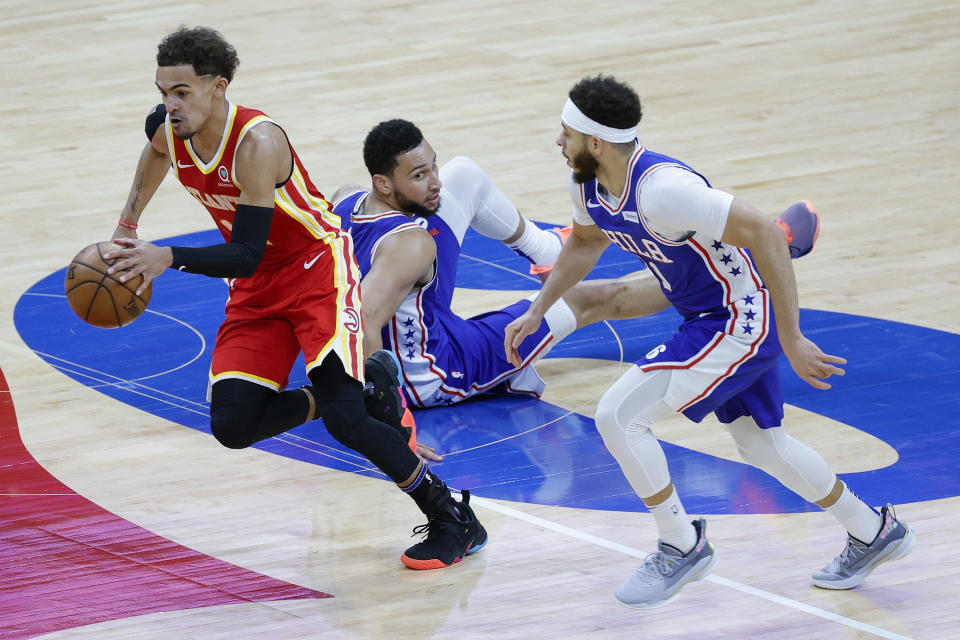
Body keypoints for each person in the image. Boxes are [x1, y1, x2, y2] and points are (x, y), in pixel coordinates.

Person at [505, 74, 914, 608]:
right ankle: (871, 531)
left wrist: (790, 337)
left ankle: (682, 544)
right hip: (704, 313)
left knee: (618, 415)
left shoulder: (664, 189)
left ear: (596, 142)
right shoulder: (589, 184)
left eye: (566, 134)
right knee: (761, 446)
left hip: (741, 315)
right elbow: (584, 243)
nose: (558, 142)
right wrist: (540, 309)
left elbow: (765, 234)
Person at [101, 26, 485, 570]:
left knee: (347, 423)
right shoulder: (172, 127)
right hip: (258, 286)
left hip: (314, 270)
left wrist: (167, 256)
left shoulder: (258, 143)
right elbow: (157, 153)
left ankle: (452, 518)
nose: (170, 103)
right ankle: (359, 388)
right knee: (232, 426)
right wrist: (128, 221)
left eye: (182, 91)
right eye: (163, 91)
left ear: (218, 87)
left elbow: (248, 252)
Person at [332, 119, 820, 462]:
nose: (433, 182)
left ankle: (547, 249)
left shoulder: (346, 203)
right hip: (437, 372)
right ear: (384, 182)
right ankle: (754, 260)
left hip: (430, 329)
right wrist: (394, 424)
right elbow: (367, 325)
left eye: (429, 167)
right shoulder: (409, 248)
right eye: (419, 176)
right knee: (589, 299)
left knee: (464, 175)